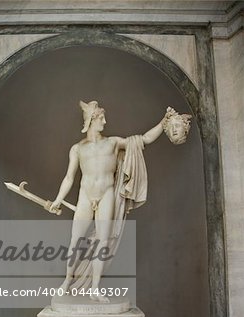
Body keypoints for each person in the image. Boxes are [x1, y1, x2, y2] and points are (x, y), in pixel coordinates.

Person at [50, 101, 189, 302]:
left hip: (106, 195)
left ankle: (95, 288)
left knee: (103, 242)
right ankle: (67, 280)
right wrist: (58, 199)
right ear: (91, 121)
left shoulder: (113, 143)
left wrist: (163, 122)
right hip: (86, 196)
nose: (105, 122)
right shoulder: (77, 149)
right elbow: (69, 178)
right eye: (101, 118)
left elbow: (144, 140)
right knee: (75, 240)